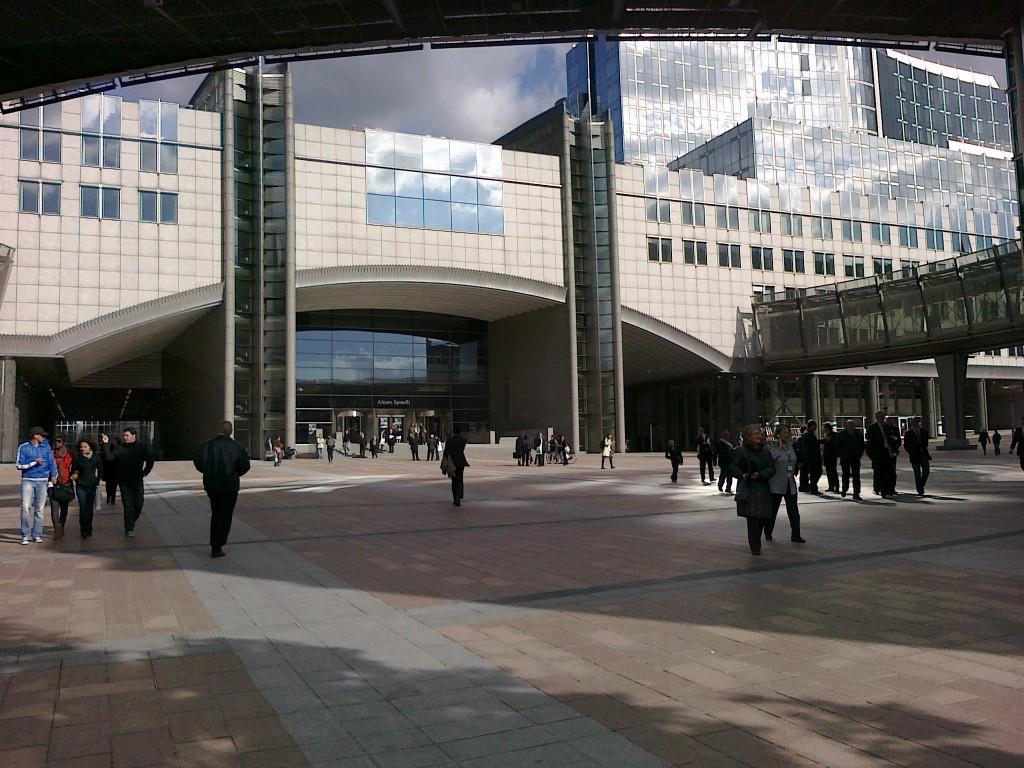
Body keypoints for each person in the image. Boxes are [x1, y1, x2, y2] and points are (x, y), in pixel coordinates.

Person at [193, 421, 251, 558]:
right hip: (229, 486)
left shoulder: (207, 446)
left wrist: (208, 472)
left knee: (216, 513)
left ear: (218, 430)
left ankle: (215, 543)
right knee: (225, 515)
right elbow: (245, 466)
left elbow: (198, 461)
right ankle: (218, 544)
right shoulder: (237, 447)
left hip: (212, 485)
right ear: (230, 431)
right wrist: (234, 474)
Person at [729, 425, 776, 556]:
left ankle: (757, 540)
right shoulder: (742, 451)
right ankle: (755, 545)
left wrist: (761, 474)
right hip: (750, 488)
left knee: (764, 517)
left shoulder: (766, 452)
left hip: (763, 487)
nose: (759, 436)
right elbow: (733, 466)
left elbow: (772, 468)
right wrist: (743, 474)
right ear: (748, 437)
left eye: (760, 434)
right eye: (755, 434)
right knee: (753, 519)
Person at [17, 426, 57, 544]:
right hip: (28, 480)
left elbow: (51, 463)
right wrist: (34, 463)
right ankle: (25, 534)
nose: (44, 438)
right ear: (35, 436)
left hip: (43, 480)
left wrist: (53, 475)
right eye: (42, 435)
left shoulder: (46, 449)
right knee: (25, 508)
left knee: (39, 509)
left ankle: (37, 534)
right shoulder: (23, 448)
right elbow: (19, 465)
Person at [112, 426, 154, 537]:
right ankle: (129, 528)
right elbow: (110, 458)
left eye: (127, 435)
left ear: (133, 436)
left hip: (137, 480)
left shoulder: (141, 448)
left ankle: (132, 520)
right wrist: (107, 445)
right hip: (124, 482)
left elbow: (150, 460)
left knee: (139, 504)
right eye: (124, 435)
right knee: (127, 505)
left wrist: (145, 472)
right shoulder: (121, 448)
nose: (125, 437)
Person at [766, 426, 806, 544]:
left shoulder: (790, 446)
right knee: (773, 510)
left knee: (793, 510)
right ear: (777, 434)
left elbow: (793, 460)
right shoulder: (772, 446)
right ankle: (768, 531)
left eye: (787, 433)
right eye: (783, 433)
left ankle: (796, 535)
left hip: (790, 482)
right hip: (777, 483)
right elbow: (770, 460)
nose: (786, 435)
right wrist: (778, 449)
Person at [71, 438, 103, 540]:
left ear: (90, 447)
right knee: (83, 508)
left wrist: (96, 480)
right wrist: (76, 477)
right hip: (81, 485)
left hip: (92, 485)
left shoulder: (96, 457)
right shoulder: (78, 458)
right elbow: (74, 470)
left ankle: (88, 527)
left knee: (89, 508)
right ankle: (83, 529)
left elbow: (101, 470)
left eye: (85, 447)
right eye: (81, 447)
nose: (83, 449)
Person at [49, 435, 75, 542]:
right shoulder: (50, 455)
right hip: (53, 484)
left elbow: (75, 467)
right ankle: (57, 530)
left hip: (65, 484)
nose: (56, 443)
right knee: (54, 508)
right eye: (55, 441)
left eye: (59, 441)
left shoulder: (70, 455)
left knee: (64, 508)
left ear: (64, 443)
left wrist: (75, 473)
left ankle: (62, 526)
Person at [866, 411, 898, 498]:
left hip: (888, 452)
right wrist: (872, 455)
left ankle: (887, 489)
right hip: (878, 453)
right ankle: (879, 489)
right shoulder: (872, 428)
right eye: (880, 416)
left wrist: (894, 451)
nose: (882, 418)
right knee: (879, 472)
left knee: (889, 472)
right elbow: (870, 443)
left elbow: (894, 440)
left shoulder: (888, 428)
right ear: (876, 417)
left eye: (883, 416)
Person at [835, 419, 865, 500]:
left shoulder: (858, 434)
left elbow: (862, 446)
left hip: (855, 458)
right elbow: (837, 446)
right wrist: (841, 454)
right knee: (846, 475)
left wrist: (859, 454)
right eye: (849, 426)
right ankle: (845, 489)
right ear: (846, 426)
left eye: (852, 426)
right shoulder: (841, 434)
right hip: (845, 458)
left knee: (856, 476)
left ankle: (856, 493)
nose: (851, 427)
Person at [441, 424, 469, 506]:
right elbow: (461, 450)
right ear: (460, 432)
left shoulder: (449, 440)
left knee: (454, 480)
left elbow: (446, 452)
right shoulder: (463, 440)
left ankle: (455, 498)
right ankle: (459, 495)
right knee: (460, 479)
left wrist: (443, 465)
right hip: (461, 461)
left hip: (451, 462)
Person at [903, 416, 931, 496]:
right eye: (913, 422)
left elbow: (926, 442)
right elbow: (906, 445)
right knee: (917, 473)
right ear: (911, 423)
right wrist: (911, 451)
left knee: (926, 471)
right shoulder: (908, 433)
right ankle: (920, 489)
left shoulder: (924, 431)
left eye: (916, 421)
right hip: (914, 455)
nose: (915, 423)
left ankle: (921, 484)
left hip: (924, 454)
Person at [796, 419, 822, 494]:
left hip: (810, 457)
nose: (816, 428)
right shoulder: (807, 434)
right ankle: (812, 487)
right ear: (812, 426)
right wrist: (823, 441)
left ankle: (808, 486)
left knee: (809, 473)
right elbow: (813, 444)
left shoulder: (808, 434)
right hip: (811, 457)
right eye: (815, 426)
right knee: (815, 473)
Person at [99, 434, 120, 507]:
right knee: (108, 486)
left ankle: (112, 499)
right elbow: (105, 457)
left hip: (116, 471)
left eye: (115, 441)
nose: (114, 443)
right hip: (108, 471)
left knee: (113, 486)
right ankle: (108, 497)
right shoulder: (108, 449)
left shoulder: (119, 451)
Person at [821, 422, 840, 493]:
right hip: (826, 455)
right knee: (829, 471)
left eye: (825, 428)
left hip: (832, 455)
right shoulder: (826, 435)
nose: (824, 430)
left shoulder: (834, 435)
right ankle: (831, 486)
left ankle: (836, 486)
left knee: (833, 471)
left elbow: (836, 445)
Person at [716, 429, 735, 493]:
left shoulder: (730, 443)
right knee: (723, 474)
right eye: (726, 434)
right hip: (723, 461)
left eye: (728, 434)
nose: (727, 436)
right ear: (723, 435)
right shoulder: (719, 443)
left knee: (730, 475)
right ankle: (720, 485)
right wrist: (714, 460)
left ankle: (728, 487)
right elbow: (716, 452)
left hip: (730, 462)